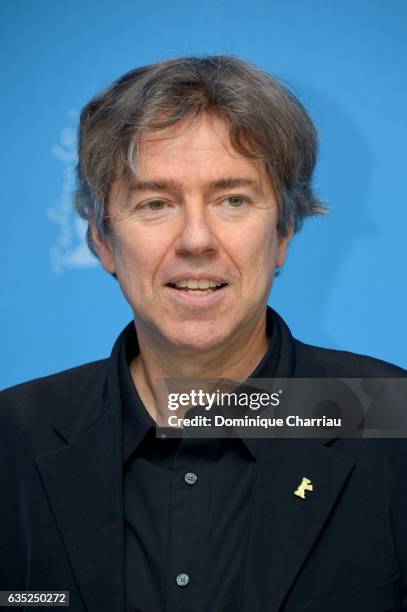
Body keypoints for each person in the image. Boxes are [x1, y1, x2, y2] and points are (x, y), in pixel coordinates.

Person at [1, 55, 406, 612]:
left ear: (285, 229)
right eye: (156, 203)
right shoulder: (11, 440)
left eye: (233, 200)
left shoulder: (392, 420)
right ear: (101, 238)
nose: (196, 240)